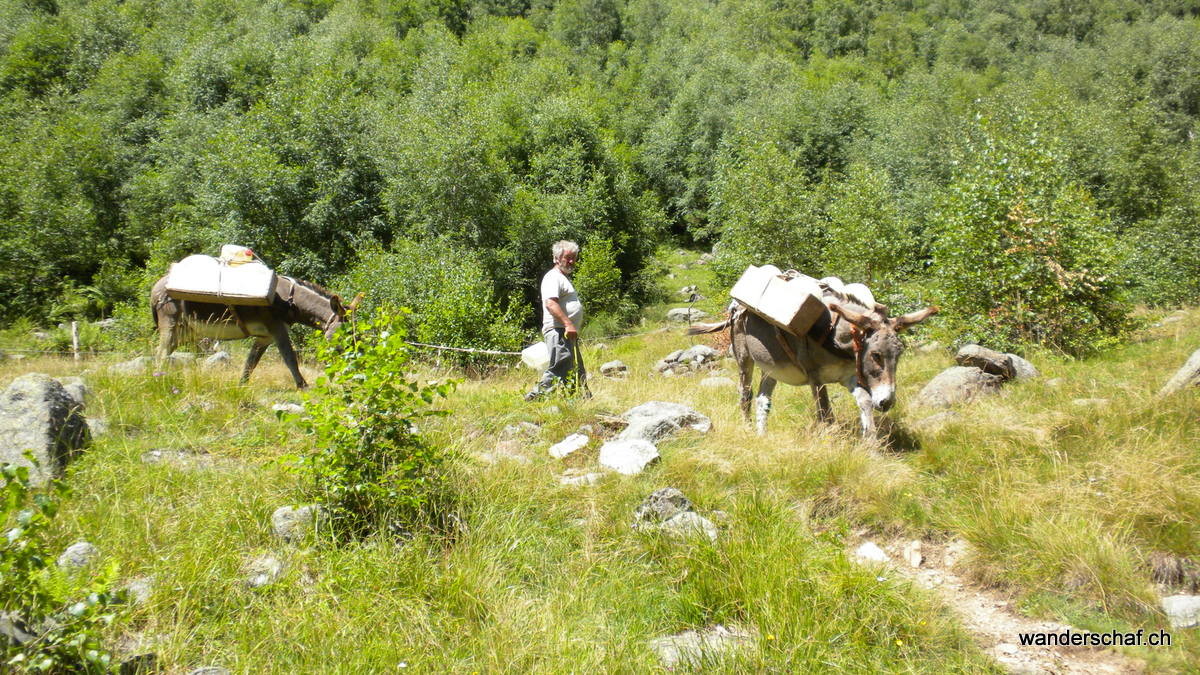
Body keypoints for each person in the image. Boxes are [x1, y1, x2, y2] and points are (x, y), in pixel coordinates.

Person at [525, 240, 585, 401]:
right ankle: (533, 398)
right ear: (557, 258)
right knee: (560, 368)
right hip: (559, 330)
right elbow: (550, 303)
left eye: (574, 257)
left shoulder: (563, 278)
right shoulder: (553, 277)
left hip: (566, 332)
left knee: (575, 369)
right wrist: (568, 324)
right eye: (568, 257)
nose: (572, 261)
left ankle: (581, 401)